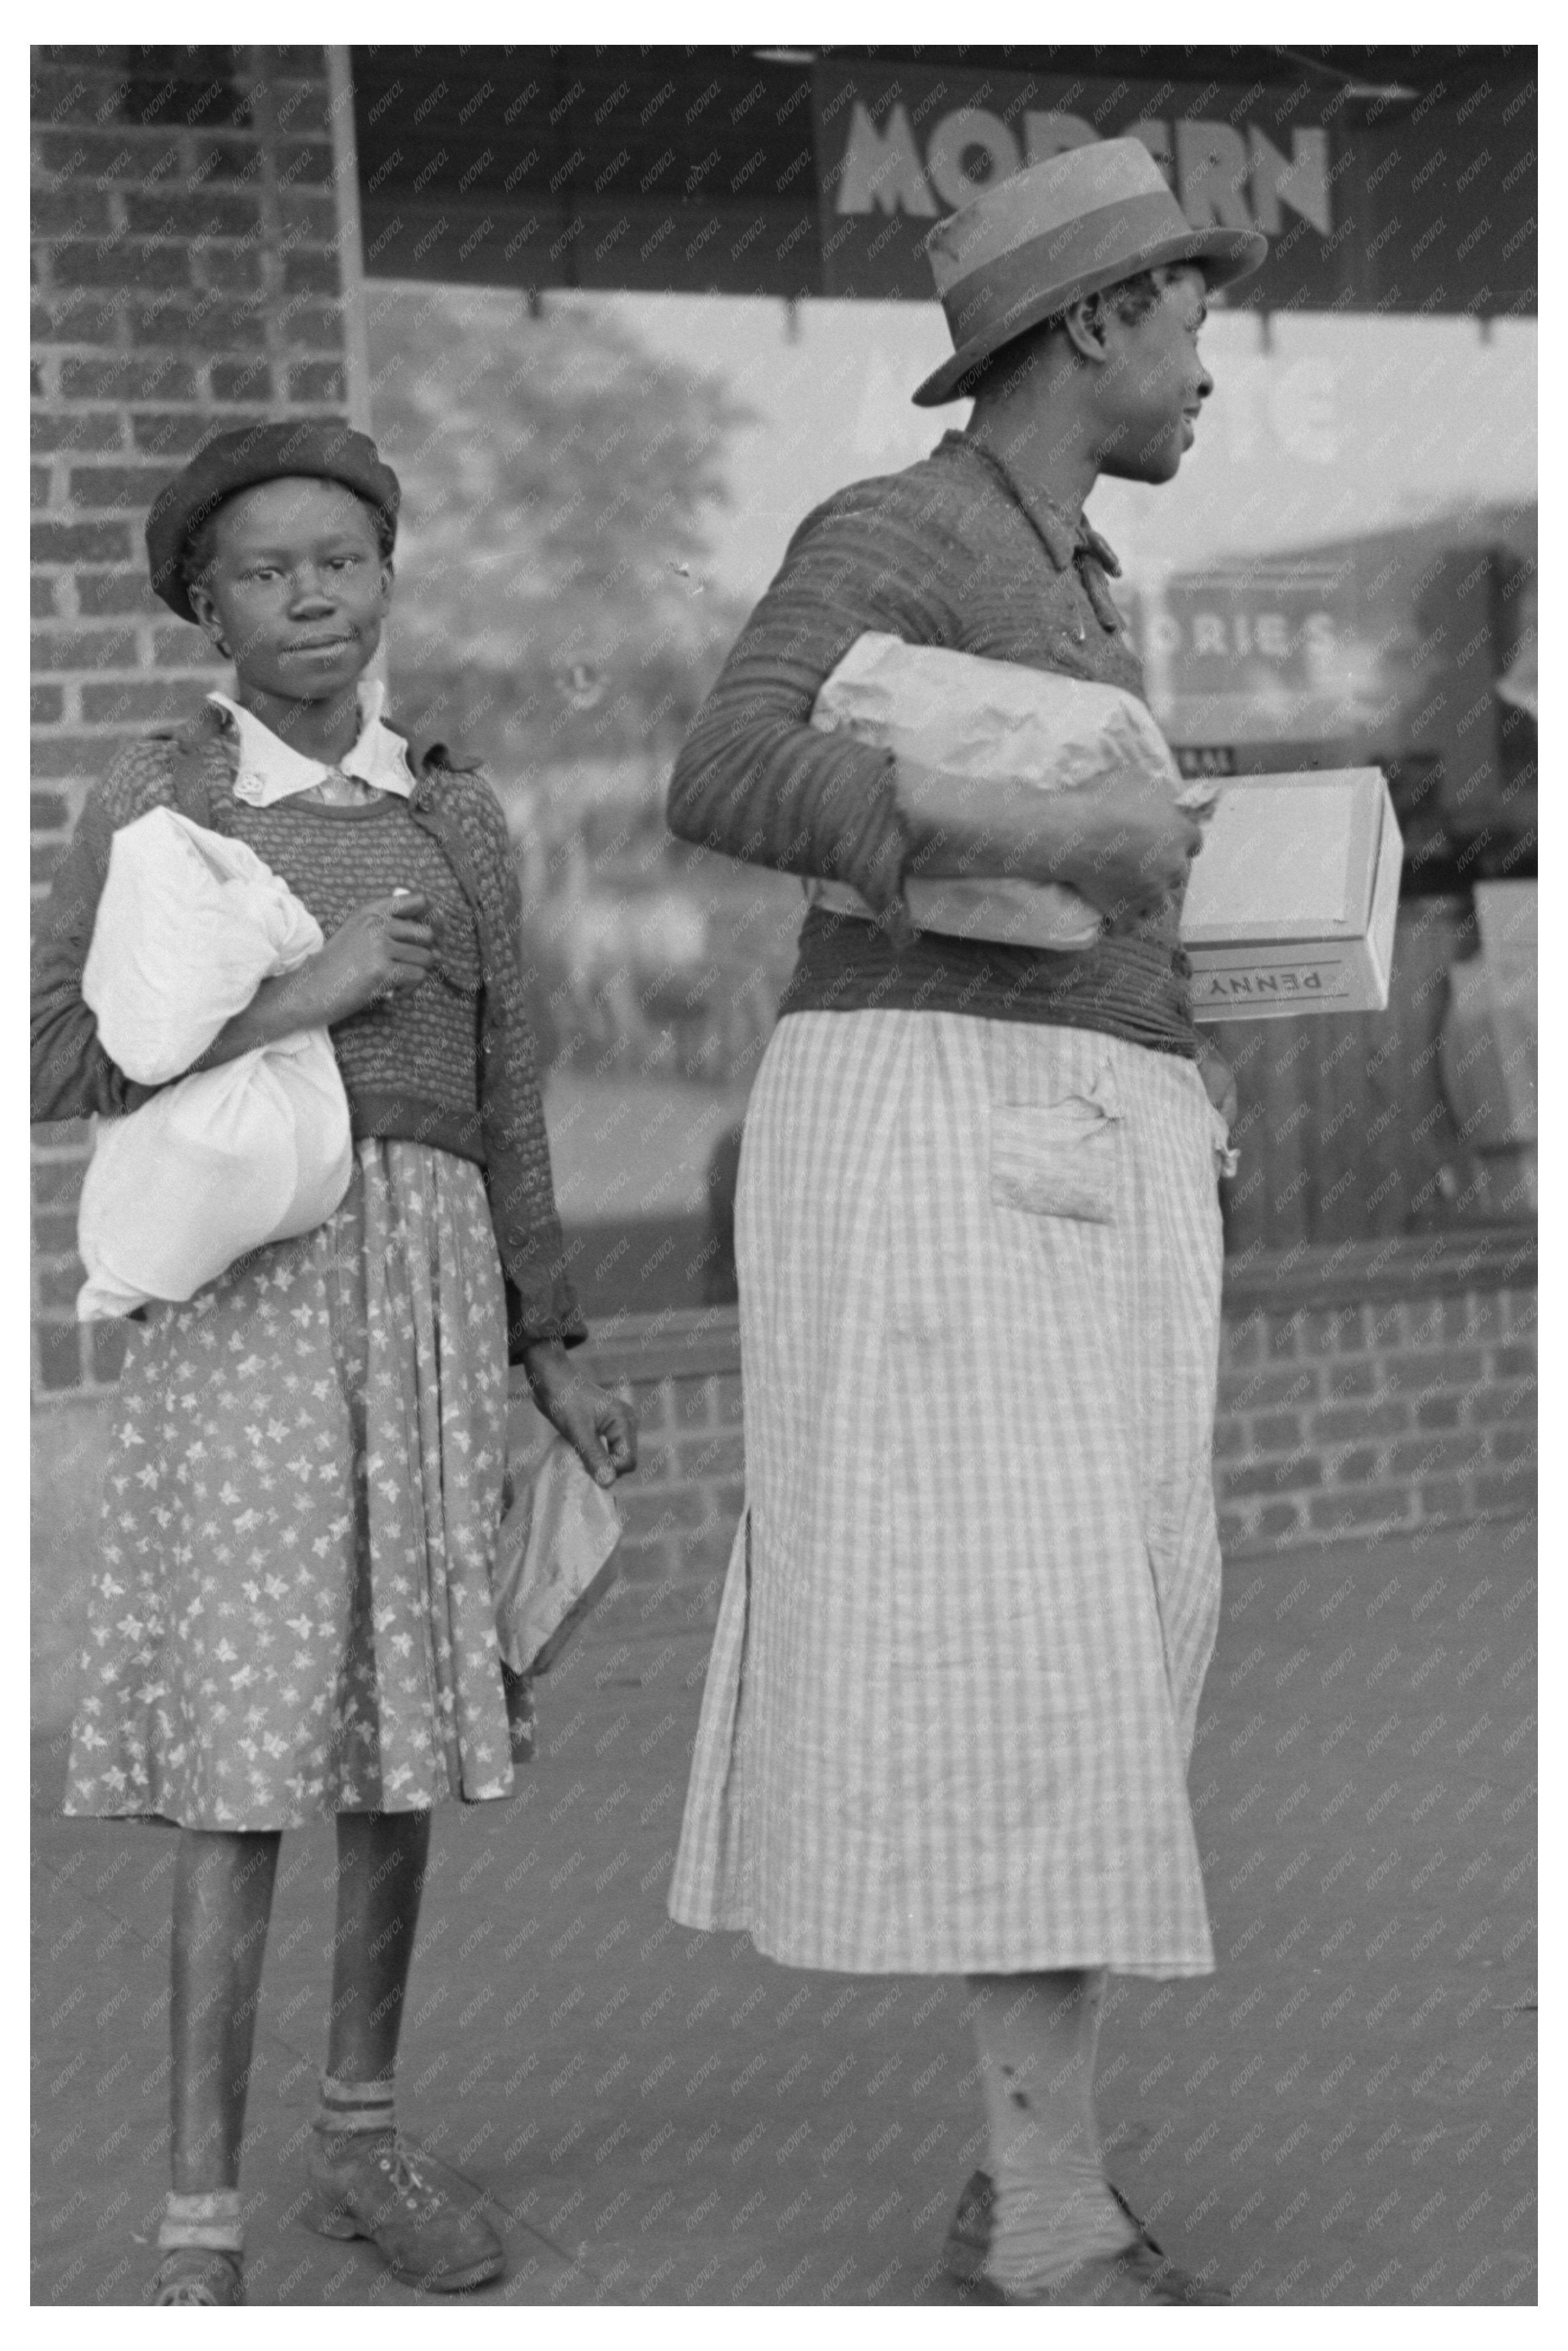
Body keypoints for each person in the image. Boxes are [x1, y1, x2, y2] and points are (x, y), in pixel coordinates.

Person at [664, 140, 1263, 2306]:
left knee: (1107, 1654)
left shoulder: (1088, 577)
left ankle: (1029, 2169)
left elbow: (1096, 890)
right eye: (1191, 317)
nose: (1209, 364)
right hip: (932, 1128)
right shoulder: (898, 527)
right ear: (1093, 323)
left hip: (1089, 1140)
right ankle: (1045, 2208)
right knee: (1033, 1674)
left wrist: (1197, 1019)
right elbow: (724, 770)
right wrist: (1034, 821)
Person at [31, 423, 637, 2305]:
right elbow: (59, 1059)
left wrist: (551, 1339)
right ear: (204, 603)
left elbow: (509, 1093)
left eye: (344, 559)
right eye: (269, 566)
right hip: (250, 1300)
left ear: (384, 582)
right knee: (241, 1745)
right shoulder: (160, 795)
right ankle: (196, 2220)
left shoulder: (452, 813)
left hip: (438, 1285)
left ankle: (362, 2135)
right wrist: (305, 992)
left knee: (390, 1736)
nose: (313, 592)